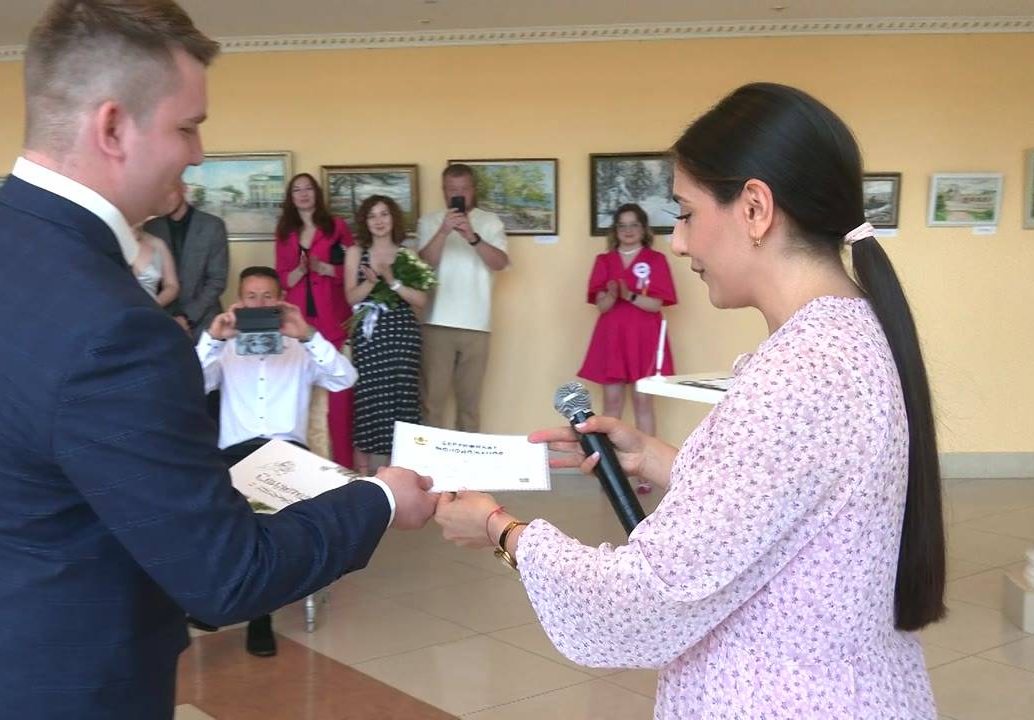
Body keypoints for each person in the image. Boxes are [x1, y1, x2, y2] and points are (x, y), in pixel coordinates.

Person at [0, 3, 438, 719]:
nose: (198, 153)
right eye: (187, 127)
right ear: (111, 127)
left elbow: (32, 460)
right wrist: (381, 499)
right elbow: (229, 576)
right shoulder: (118, 325)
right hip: (52, 691)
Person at [434, 83, 945, 719]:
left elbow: (648, 596)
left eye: (686, 213)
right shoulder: (853, 331)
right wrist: (655, 457)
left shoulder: (800, 374)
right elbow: (792, 501)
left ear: (754, 208)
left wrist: (500, 529)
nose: (678, 242)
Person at [197, 266, 359, 657]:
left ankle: (259, 616)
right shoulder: (226, 348)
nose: (259, 304)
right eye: (250, 297)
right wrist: (212, 339)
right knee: (206, 510)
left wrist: (308, 335)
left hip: (286, 451)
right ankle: (210, 596)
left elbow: (345, 378)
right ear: (238, 301)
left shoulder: (301, 346)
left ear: (281, 299)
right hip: (234, 451)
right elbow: (188, 383)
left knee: (263, 521)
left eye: (267, 296)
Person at [577, 202, 676, 493]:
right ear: (615, 230)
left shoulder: (656, 260)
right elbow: (602, 307)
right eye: (622, 225)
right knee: (612, 405)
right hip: (612, 338)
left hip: (645, 338)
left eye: (634, 225)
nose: (628, 230)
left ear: (643, 229)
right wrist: (611, 295)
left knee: (643, 402)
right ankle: (611, 470)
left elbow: (655, 304)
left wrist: (628, 294)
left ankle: (647, 471)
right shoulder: (604, 260)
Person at [416, 163, 509, 432]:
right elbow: (423, 265)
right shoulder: (429, 221)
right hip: (436, 321)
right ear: (443, 191)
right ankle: (428, 458)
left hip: (477, 324)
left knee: (469, 404)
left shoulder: (490, 222)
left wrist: (473, 237)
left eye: (464, 188)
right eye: (451, 189)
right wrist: (443, 232)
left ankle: (468, 458)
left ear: (473, 190)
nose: (458, 194)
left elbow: (500, 263)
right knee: (431, 402)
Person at [274, 172, 355, 467]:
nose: (303, 194)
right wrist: (299, 270)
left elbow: (353, 268)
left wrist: (325, 268)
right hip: (298, 323)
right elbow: (281, 277)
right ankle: (302, 467)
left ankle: (344, 466)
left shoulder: (336, 226)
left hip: (334, 319)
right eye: (297, 190)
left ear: (316, 193)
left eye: (308, 188)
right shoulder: (284, 231)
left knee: (340, 398)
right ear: (291, 197)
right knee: (299, 397)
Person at [344, 195, 426, 474]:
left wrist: (392, 282)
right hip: (370, 338)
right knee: (368, 402)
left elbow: (421, 300)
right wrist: (370, 283)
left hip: (402, 337)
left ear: (393, 218)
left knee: (402, 404)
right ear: (365, 221)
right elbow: (350, 297)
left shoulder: (408, 254)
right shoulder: (356, 252)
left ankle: (396, 478)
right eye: (372, 216)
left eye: (384, 214)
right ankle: (362, 477)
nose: (379, 221)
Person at [144, 178, 229, 336]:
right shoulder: (151, 228)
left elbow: (217, 281)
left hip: (205, 320)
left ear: (183, 188)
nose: (165, 198)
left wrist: (186, 317)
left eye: (170, 191)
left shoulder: (213, 226)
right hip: (162, 319)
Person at [130, 220, 180, 308]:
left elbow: (172, 286)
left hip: (150, 310)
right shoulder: (109, 243)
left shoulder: (157, 244)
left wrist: (152, 306)